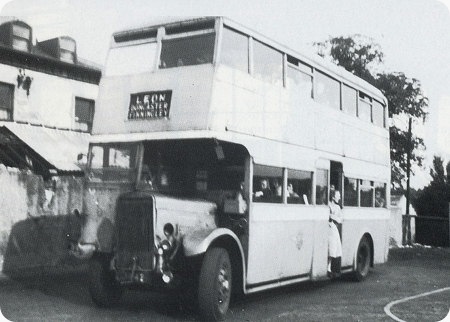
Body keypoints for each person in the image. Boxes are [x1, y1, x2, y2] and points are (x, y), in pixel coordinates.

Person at [328, 190, 343, 277]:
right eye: (338, 196)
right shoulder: (328, 205)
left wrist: (333, 217)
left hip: (334, 229)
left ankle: (331, 268)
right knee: (330, 248)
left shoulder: (337, 207)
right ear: (333, 197)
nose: (339, 197)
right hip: (328, 228)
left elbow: (340, 219)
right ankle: (328, 268)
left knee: (334, 248)